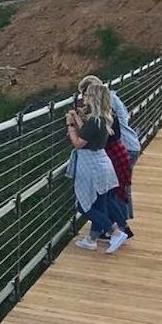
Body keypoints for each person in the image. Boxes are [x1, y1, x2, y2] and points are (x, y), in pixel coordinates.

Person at [64, 83, 129, 254]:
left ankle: (115, 233)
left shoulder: (94, 121)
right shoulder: (104, 118)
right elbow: (88, 131)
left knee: (84, 205)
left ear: (94, 98)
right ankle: (91, 240)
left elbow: (78, 143)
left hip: (90, 165)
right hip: (102, 163)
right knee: (99, 204)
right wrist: (77, 118)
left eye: (87, 95)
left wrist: (70, 126)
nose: (84, 98)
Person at [79, 75, 137, 237]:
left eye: (85, 94)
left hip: (120, 149)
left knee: (109, 193)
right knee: (113, 192)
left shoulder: (102, 114)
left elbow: (86, 139)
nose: (84, 98)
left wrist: (76, 125)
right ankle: (118, 228)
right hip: (125, 148)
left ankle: (112, 231)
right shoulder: (108, 105)